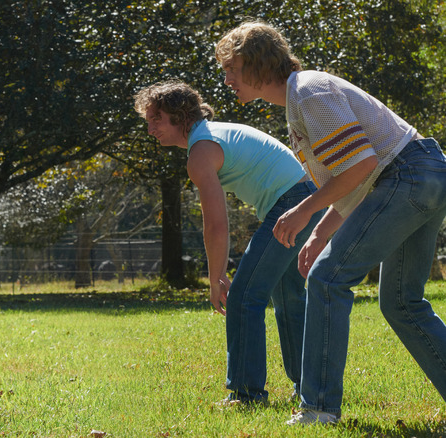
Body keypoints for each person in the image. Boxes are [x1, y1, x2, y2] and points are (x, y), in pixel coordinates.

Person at [216, 21, 446, 425]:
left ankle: (318, 407)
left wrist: (305, 210)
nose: (226, 78)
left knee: (327, 279)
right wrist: (321, 231)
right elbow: (354, 177)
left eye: (231, 66)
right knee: (402, 303)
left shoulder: (308, 91)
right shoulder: (299, 98)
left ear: (256, 63)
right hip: (421, 176)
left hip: (406, 176)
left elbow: (363, 166)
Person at [134, 80, 324, 405]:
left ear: (180, 116)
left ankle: (246, 395)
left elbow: (217, 226)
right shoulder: (212, 135)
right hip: (308, 198)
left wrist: (216, 277)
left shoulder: (201, 150)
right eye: (148, 120)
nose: (151, 128)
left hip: (294, 203)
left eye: (157, 119)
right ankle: (309, 389)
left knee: (244, 296)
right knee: (288, 296)